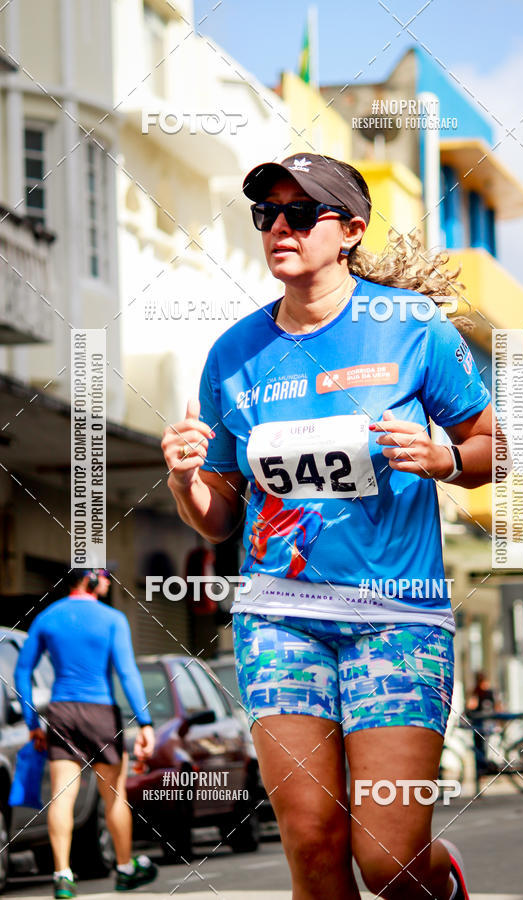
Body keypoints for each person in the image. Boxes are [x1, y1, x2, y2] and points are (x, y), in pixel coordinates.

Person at [162, 153, 496, 899]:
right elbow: (217, 519)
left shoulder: (411, 329)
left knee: (388, 859)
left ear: (348, 231)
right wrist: (187, 477)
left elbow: (493, 452)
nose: (279, 227)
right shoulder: (234, 354)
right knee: (314, 846)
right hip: (280, 617)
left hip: (396, 616)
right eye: (266, 214)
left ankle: (443, 884)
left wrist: (444, 458)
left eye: (300, 213)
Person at [14, 568, 159, 898]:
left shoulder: (46, 617)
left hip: (61, 712)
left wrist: (32, 723)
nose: (109, 581)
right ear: (91, 577)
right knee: (114, 794)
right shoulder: (112, 618)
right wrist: (146, 721)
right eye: (106, 574)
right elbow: (127, 672)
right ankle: (124, 869)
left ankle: (62, 876)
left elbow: (22, 671)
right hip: (100, 712)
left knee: (62, 795)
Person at [466, 670, 501, 777]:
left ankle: (481, 770)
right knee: (483, 746)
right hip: (486, 721)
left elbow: (471, 706)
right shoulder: (486, 692)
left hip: (479, 722)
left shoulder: (477, 692)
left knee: (479, 746)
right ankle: (483, 769)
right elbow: (496, 705)